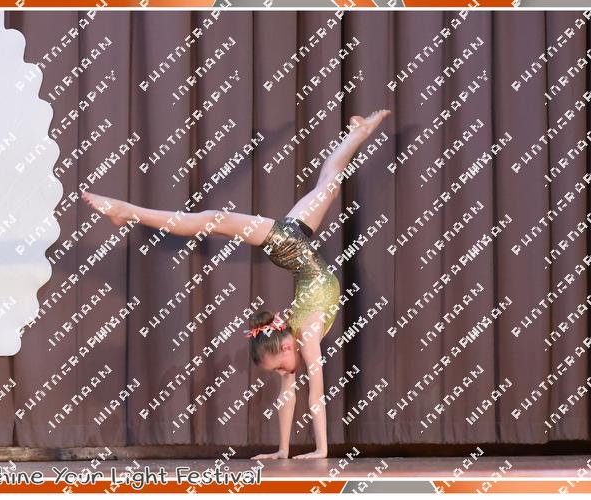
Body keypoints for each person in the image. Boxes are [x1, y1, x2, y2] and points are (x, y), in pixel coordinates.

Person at [81, 109, 391, 459]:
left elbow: (308, 394)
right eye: (279, 369)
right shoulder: (301, 336)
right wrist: (290, 450)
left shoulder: (298, 335)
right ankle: (357, 134)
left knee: (223, 218)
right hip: (296, 246)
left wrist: (312, 450)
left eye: (277, 367)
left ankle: (127, 211)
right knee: (326, 184)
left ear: (284, 347)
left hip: (290, 245)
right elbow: (301, 393)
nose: (282, 373)